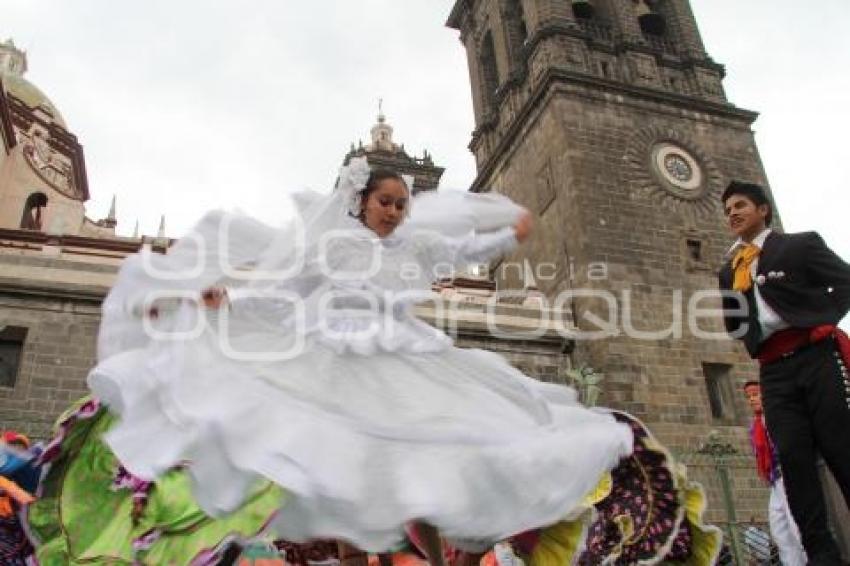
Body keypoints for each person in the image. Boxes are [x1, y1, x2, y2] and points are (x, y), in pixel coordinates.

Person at [85, 156, 637, 564]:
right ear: (362, 203)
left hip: (405, 354)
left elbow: (462, 251)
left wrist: (507, 237)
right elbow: (286, 293)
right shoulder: (333, 245)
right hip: (335, 355)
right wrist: (229, 302)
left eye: (401, 205)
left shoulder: (415, 248)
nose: (395, 212)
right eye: (385, 203)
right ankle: (356, 556)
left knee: (458, 438)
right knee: (344, 461)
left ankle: (458, 548)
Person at [718, 180, 850, 565]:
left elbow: (845, 281)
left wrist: (821, 319)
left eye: (740, 205)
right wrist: (752, 339)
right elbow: (734, 321)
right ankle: (821, 553)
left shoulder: (799, 245)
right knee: (793, 458)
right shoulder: (730, 271)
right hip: (774, 371)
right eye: (727, 210)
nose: (733, 213)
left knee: (841, 448)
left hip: (815, 356)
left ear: (763, 209)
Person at [743, 380, 806, 566]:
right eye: (749, 397)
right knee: (779, 530)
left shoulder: (777, 417)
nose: (752, 400)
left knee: (796, 527)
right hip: (775, 479)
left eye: (755, 395)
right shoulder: (756, 425)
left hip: (787, 474)